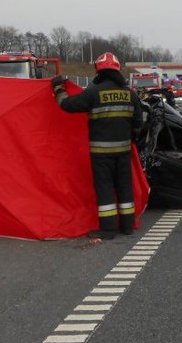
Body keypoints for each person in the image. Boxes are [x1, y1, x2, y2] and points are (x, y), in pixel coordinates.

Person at [51, 52, 143, 240]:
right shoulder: (130, 94)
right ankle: (127, 226)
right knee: (124, 186)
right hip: (124, 151)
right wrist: (130, 138)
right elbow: (139, 123)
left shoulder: (93, 92)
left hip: (101, 153)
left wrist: (58, 88)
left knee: (105, 188)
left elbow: (67, 105)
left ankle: (108, 230)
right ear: (118, 69)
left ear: (98, 70)